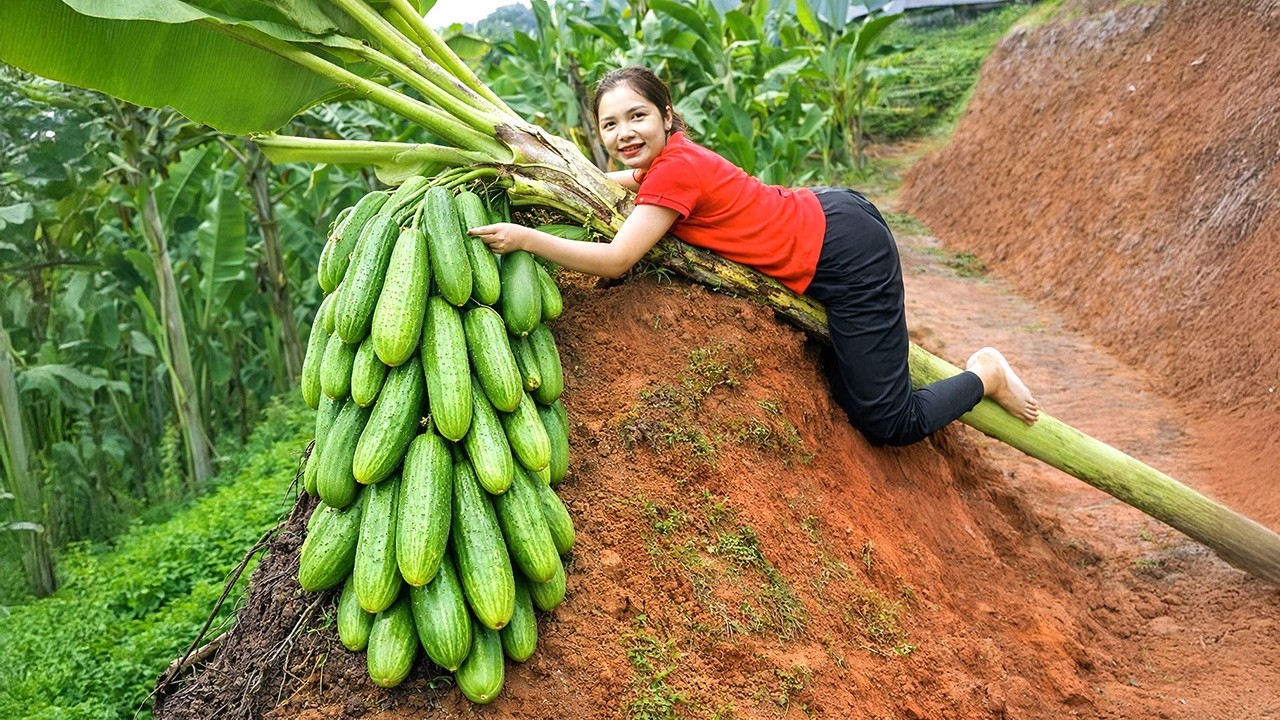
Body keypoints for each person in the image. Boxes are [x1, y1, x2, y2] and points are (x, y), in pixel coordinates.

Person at [468, 66, 1039, 446]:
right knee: (849, 391)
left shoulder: (674, 170)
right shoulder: (667, 163)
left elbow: (618, 258)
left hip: (846, 255)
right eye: (610, 124)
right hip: (827, 221)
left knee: (889, 421)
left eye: (637, 116)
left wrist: (525, 238)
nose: (624, 132)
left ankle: (985, 373)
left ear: (666, 115)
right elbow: (619, 182)